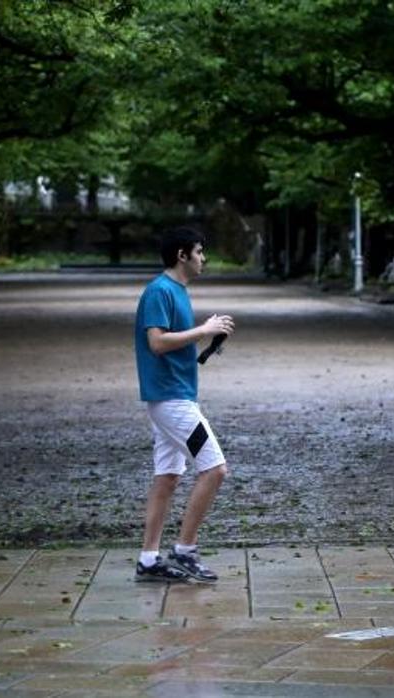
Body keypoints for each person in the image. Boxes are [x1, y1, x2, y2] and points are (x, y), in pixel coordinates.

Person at [133, 227, 235, 583]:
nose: (203, 258)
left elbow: (173, 346)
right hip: (172, 403)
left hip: (172, 398)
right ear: (182, 255)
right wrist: (202, 331)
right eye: (199, 251)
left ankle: (149, 560)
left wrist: (205, 343)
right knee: (215, 469)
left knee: (168, 477)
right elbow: (157, 343)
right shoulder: (160, 291)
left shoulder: (177, 291)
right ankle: (185, 550)